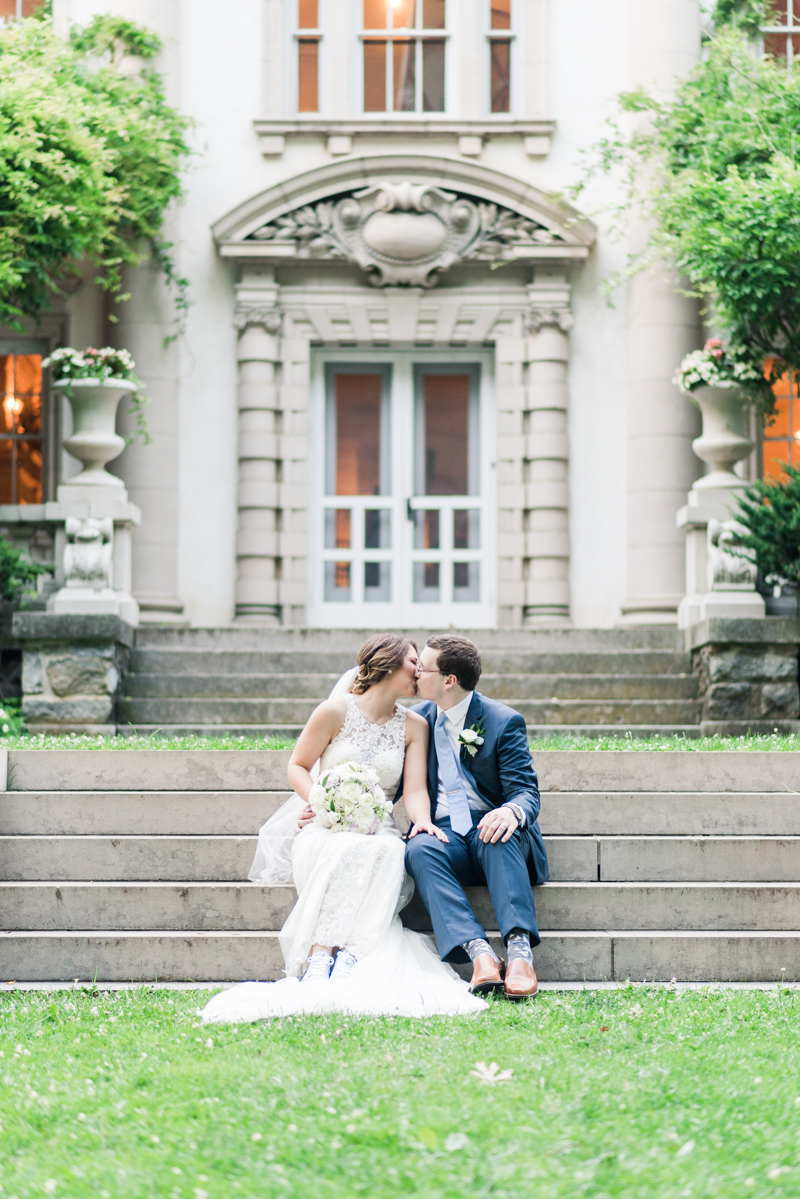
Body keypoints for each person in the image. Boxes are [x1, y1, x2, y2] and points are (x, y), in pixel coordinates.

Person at [200, 633, 488, 1022]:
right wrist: (322, 803)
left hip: (377, 826)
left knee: (389, 850)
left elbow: (416, 788)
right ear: (387, 662)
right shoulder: (334, 711)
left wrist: (421, 822)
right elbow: (298, 766)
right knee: (341, 848)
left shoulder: (414, 725)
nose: (419, 669)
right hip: (326, 825)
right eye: (412, 661)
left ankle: (352, 953)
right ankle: (321, 954)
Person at [401, 634, 548, 1000]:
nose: (416, 672)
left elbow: (526, 793)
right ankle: (479, 953)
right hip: (446, 835)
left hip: (493, 835)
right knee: (419, 848)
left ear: (449, 680)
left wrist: (511, 812)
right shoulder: (413, 721)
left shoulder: (502, 721)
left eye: (424, 667)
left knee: (496, 831)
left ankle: (519, 955)